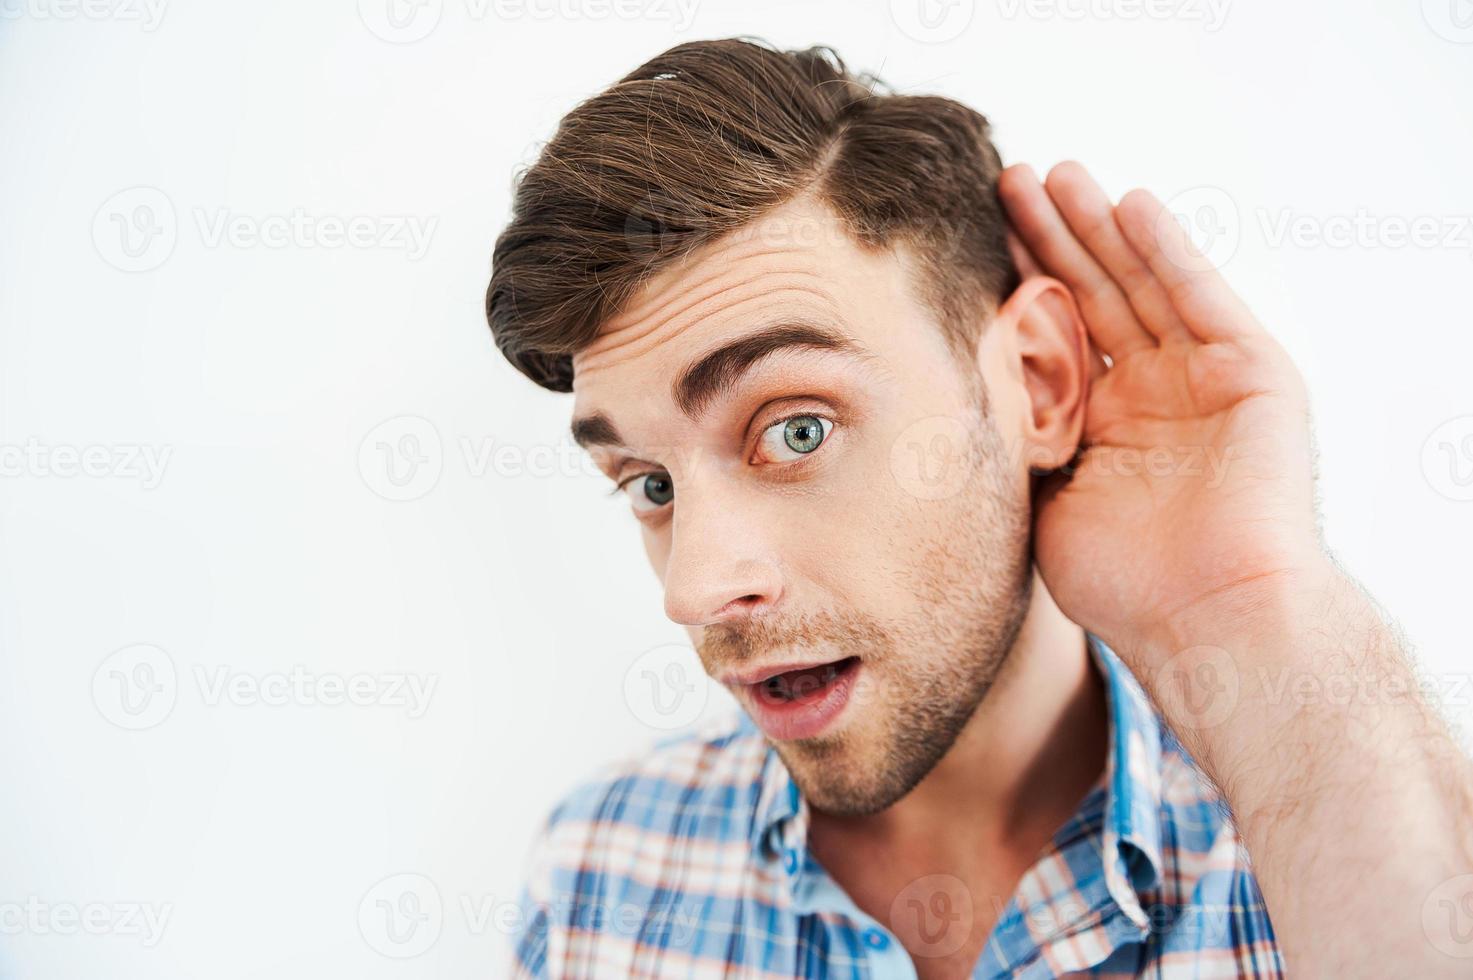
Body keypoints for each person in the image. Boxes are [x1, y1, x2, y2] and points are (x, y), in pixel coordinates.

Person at [485, 37, 1473, 978]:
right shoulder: (600, 875)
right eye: (650, 484)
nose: (696, 588)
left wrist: (1250, 607)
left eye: (795, 429)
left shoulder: (1312, 841)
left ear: (1035, 384)